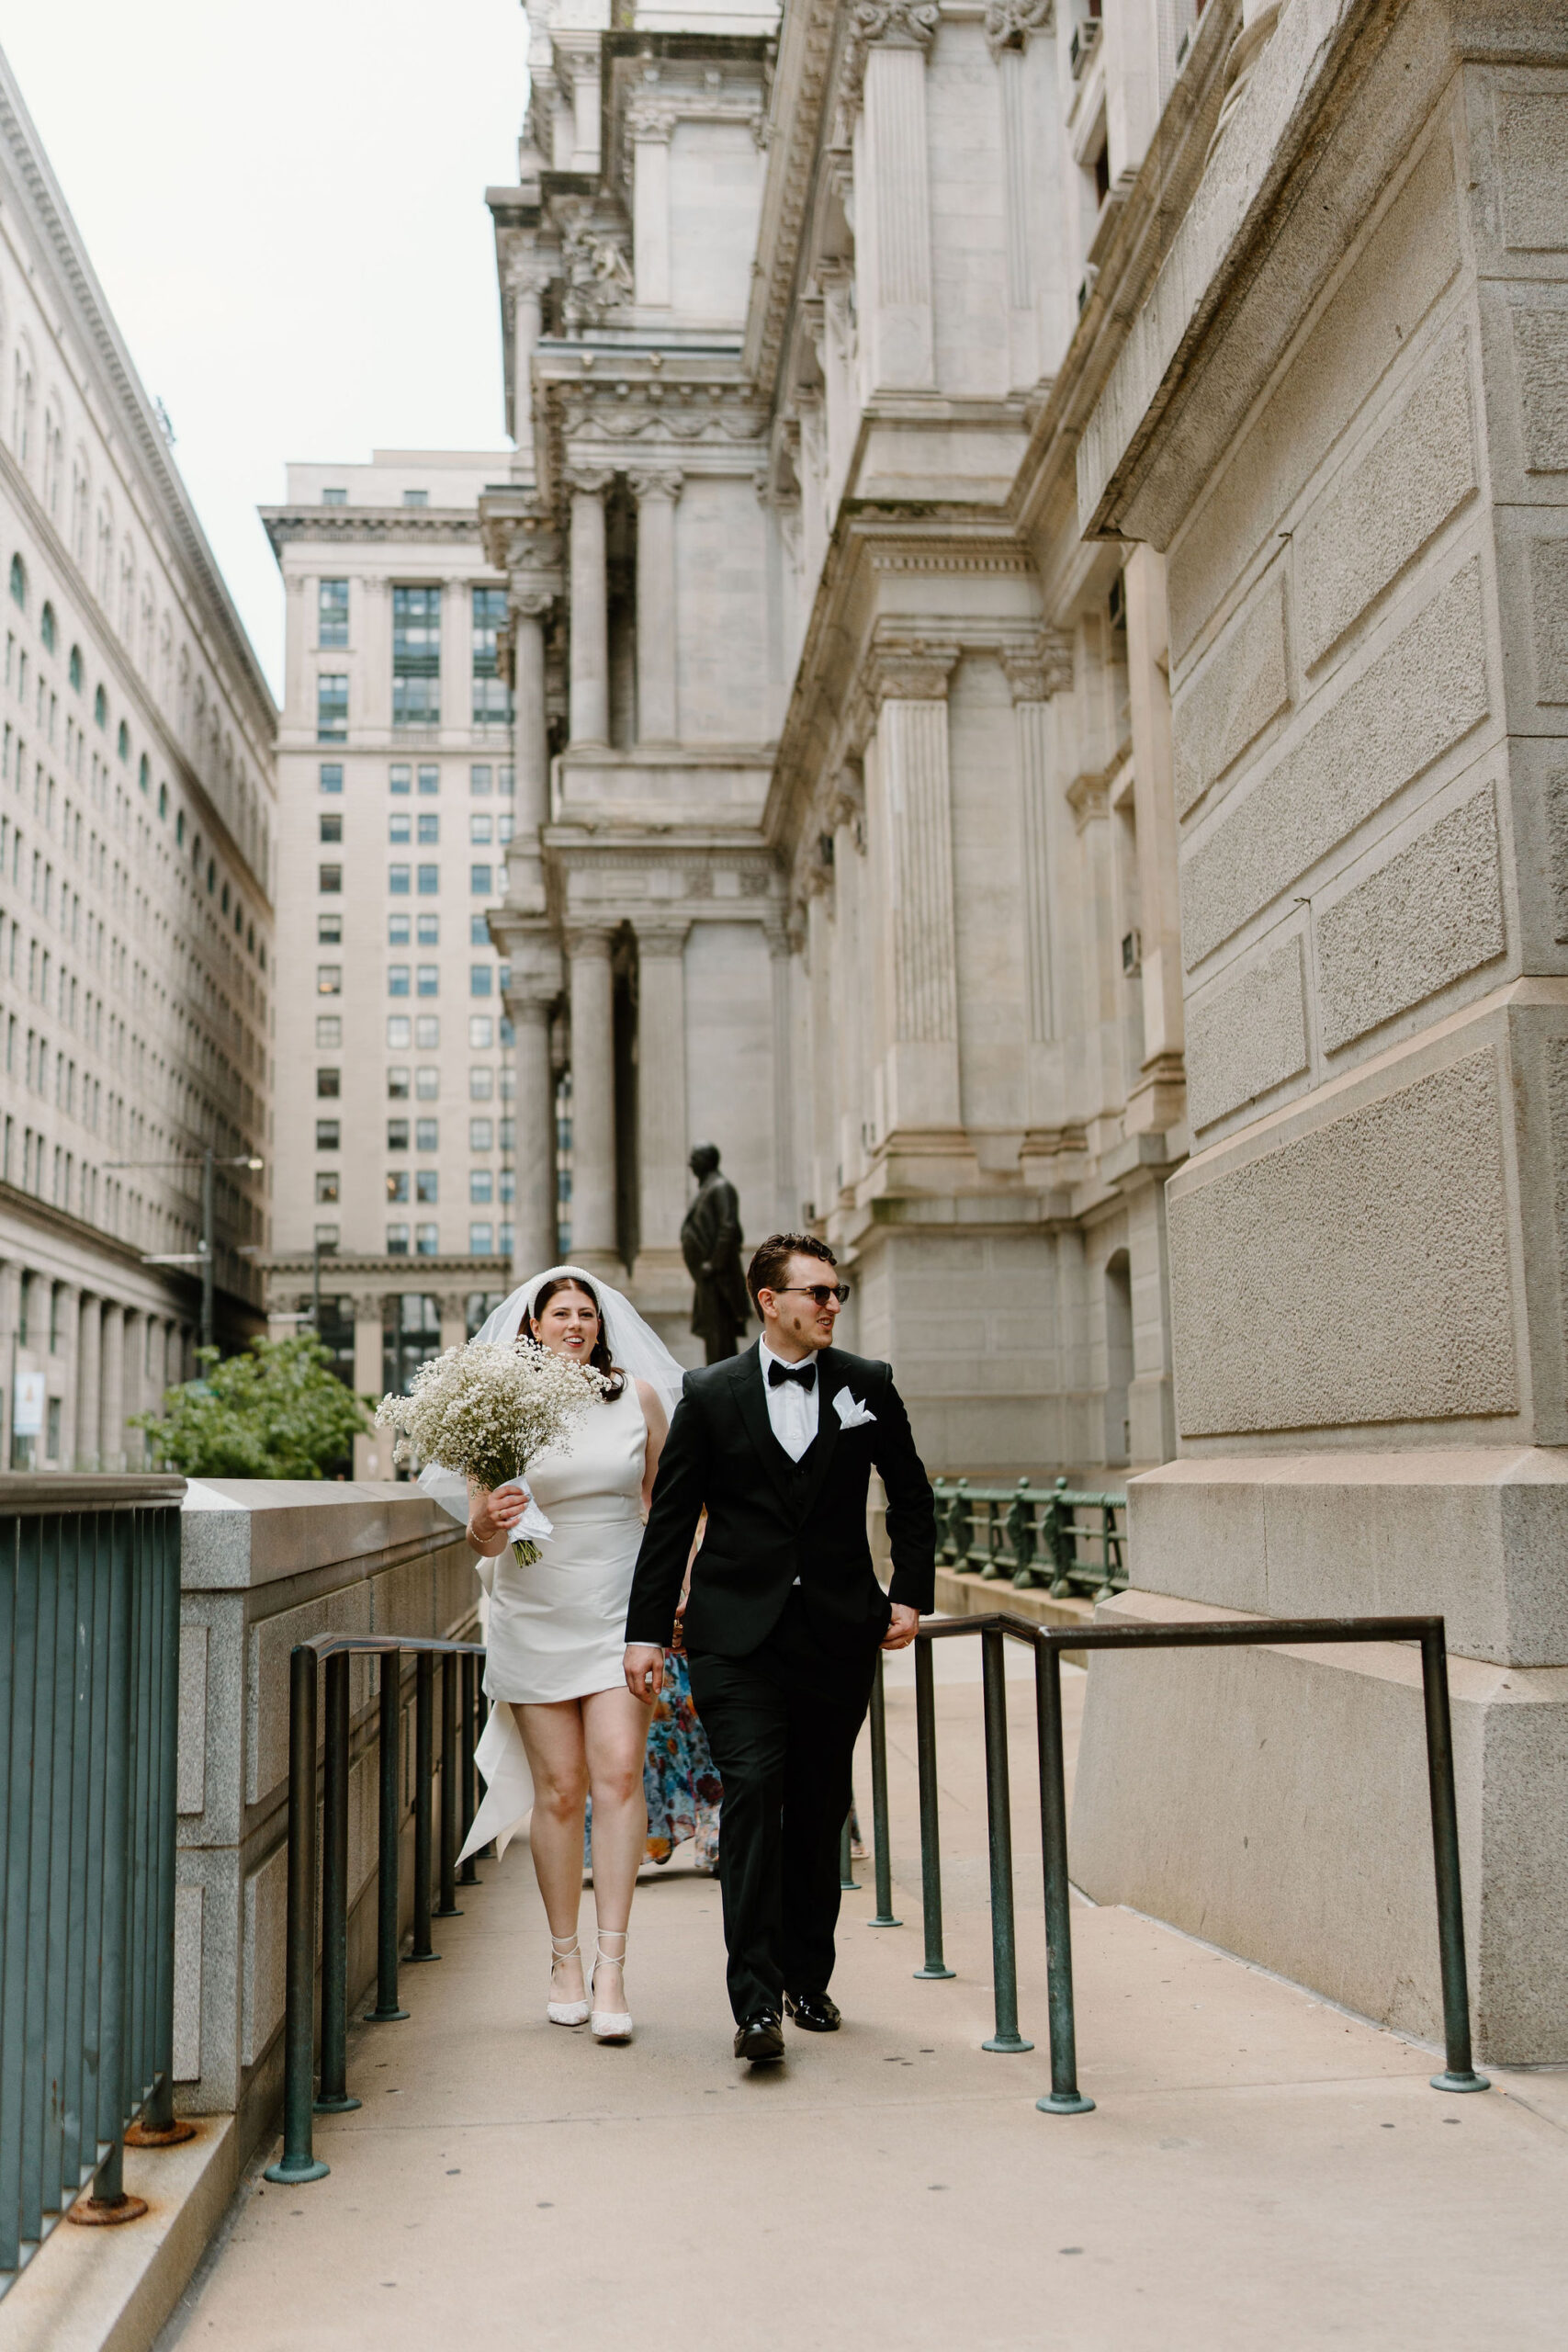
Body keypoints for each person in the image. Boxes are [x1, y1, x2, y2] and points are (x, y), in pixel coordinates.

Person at [624, 1232, 936, 2064]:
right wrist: (646, 1632)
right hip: (735, 1638)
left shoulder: (867, 1386)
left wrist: (909, 1594)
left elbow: (911, 1496)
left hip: (837, 1633)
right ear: (771, 1302)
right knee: (755, 1794)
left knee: (819, 1807)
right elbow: (668, 1521)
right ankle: (755, 2004)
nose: (833, 1304)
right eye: (818, 1292)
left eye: (837, 1293)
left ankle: (807, 1976)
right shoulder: (711, 1392)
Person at [456, 1266, 685, 2044]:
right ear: (533, 1326)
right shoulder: (497, 1412)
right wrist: (487, 1516)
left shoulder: (639, 1401)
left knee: (618, 1774)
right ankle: (562, 1958)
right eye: (561, 1314)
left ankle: (612, 1966)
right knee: (558, 1791)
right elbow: (479, 1536)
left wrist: (674, 1595)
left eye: (587, 1313)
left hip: (623, 1611)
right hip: (532, 1613)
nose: (576, 1324)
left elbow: (672, 1508)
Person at [681, 1142, 751, 1363]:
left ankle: (722, 1383)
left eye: (695, 1158)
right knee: (712, 1334)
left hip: (719, 1278)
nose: (690, 1163)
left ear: (707, 1161)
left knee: (720, 1335)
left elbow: (728, 1227)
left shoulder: (721, 1187)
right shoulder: (707, 1188)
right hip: (708, 1277)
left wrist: (714, 1263)